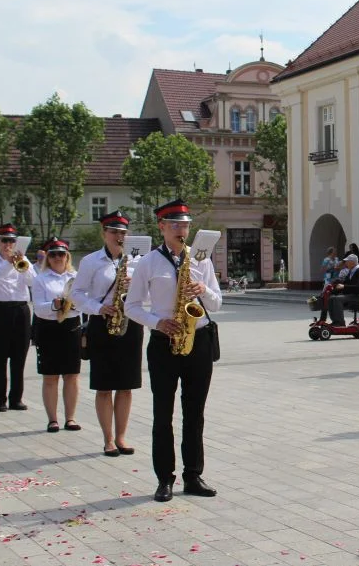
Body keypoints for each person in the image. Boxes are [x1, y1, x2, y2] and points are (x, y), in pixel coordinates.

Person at [125, 199, 222, 503]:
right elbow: (131, 306)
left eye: (185, 224)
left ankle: (193, 475)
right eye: (176, 225)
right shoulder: (148, 262)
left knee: (195, 413)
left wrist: (202, 290)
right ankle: (164, 478)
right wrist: (156, 322)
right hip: (164, 341)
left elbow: (217, 302)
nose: (182, 230)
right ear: (162, 227)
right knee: (162, 413)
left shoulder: (201, 261)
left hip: (199, 339)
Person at [71, 211, 144, 457]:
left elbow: (150, 295)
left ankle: (122, 436)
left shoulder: (138, 260)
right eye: (114, 232)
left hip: (130, 324)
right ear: (104, 233)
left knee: (126, 386)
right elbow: (77, 294)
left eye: (123, 232)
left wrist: (136, 286)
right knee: (104, 386)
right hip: (102, 324)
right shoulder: (91, 261)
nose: (119, 236)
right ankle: (108, 439)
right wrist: (98, 307)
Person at [0, 224, 35, 412]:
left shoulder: (23, 260)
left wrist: (22, 265)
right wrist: (7, 263)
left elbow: (33, 281)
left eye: (12, 241)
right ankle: (0, 400)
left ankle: (16, 399)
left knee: (19, 357)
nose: (8, 244)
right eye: (4, 240)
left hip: (20, 311)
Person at [31, 238, 82, 433]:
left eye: (61, 254)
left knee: (72, 375)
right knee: (50, 376)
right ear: (47, 257)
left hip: (71, 326)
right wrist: (55, 305)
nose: (57, 258)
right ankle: (52, 419)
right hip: (49, 328)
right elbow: (38, 309)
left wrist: (73, 306)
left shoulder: (75, 276)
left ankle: (70, 418)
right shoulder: (40, 278)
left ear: (67, 256)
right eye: (53, 255)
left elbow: (83, 302)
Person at [317, 255, 359, 326]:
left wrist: (343, 286)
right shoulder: (351, 271)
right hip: (352, 294)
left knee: (337, 299)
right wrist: (333, 289)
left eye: (347, 262)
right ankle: (335, 321)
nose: (346, 263)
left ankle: (340, 322)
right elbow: (345, 283)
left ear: (352, 262)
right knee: (331, 298)